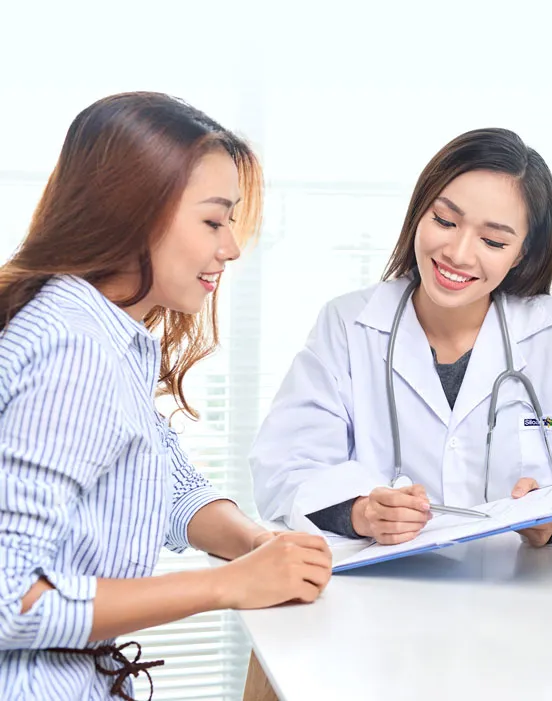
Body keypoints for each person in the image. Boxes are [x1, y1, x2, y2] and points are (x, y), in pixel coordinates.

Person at [0, 92, 332, 701]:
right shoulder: (73, 349)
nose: (230, 247)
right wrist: (229, 587)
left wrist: (258, 544)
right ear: (133, 213)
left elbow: (168, 480)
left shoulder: (105, 330)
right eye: (213, 221)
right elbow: (8, 600)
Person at [250, 127, 552, 550]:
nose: (459, 253)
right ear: (419, 213)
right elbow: (285, 466)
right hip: (386, 597)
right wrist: (361, 511)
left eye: (493, 240)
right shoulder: (348, 325)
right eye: (445, 221)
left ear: (521, 253)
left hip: (526, 600)